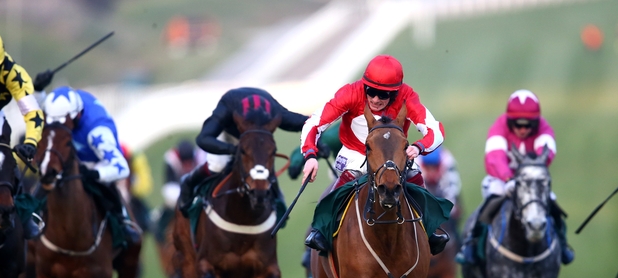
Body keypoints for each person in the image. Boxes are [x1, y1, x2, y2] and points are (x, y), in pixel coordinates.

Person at [300, 54, 448, 255]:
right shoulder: (351, 93)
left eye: (383, 94)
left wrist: (420, 146)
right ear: (364, 86)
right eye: (371, 91)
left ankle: (430, 229)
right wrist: (309, 155)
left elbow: (435, 130)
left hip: (393, 155)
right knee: (349, 178)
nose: (376, 99)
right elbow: (314, 123)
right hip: (354, 153)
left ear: (395, 93)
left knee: (414, 176)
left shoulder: (407, 96)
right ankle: (322, 229)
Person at [457, 89, 574, 265]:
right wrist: (508, 179)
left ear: (536, 122)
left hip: (531, 180)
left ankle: (563, 244)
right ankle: (471, 243)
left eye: (528, 125)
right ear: (509, 121)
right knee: (491, 201)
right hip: (503, 179)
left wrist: (526, 177)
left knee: (551, 202)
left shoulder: (544, 128)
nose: (523, 129)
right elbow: (495, 158)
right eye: (517, 125)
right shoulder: (499, 126)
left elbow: (546, 154)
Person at [177, 87, 309, 217]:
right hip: (229, 133)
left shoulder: (274, 111)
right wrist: (233, 150)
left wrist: (317, 140)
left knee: (263, 161)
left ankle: (276, 199)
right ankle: (189, 181)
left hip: (256, 140)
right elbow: (203, 138)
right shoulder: (228, 106)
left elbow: (308, 123)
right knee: (218, 166)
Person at [42, 86, 142, 244]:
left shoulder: (98, 132)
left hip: (97, 161)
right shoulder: (64, 108)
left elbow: (121, 168)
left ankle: (122, 223)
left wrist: (95, 174)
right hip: (72, 155)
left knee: (105, 189)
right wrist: (38, 90)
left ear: (76, 117)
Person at [0, 29, 45, 237]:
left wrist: (31, 141)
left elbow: (33, 112)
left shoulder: (13, 73)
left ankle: (24, 215)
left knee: (5, 164)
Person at [158, 139, 206, 242]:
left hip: (197, 189)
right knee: (169, 207)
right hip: (178, 191)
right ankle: (161, 235)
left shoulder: (200, 157)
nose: (188, 166)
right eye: (185, 163)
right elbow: (169, 186)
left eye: (190, 162)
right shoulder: (171, 161)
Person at [417, 145, 462, 241]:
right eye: (428, 167)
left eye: (434, 167)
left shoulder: (448, 163)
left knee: (455, 212)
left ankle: (457, 241)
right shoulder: (417, 165)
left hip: (443, 189)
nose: (431, 171)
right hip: (426, 189)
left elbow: (451, 191)